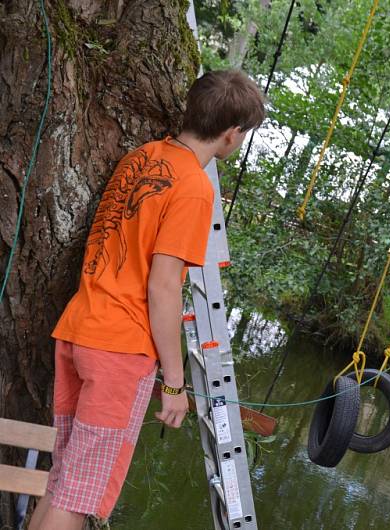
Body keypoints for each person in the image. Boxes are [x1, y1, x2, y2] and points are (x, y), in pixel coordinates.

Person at [29, 70, 265, 530]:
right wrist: (175, 384)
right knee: (80, 493)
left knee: (65, 481)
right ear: (231, 135)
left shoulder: (142, 156)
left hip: (79, 328)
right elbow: (163, 287)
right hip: (118, 350)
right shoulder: (194, 188)